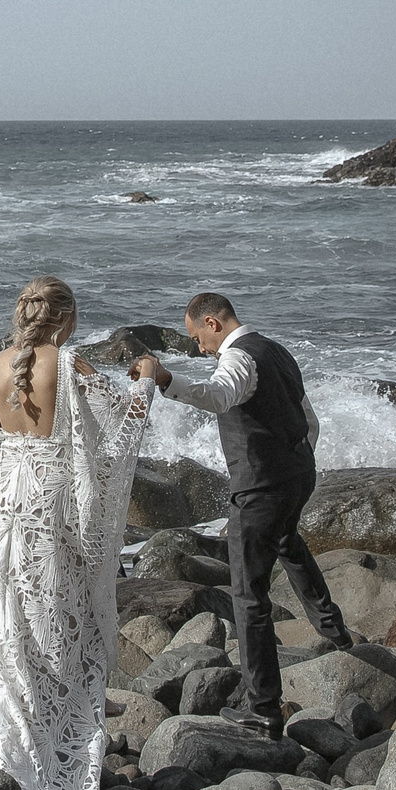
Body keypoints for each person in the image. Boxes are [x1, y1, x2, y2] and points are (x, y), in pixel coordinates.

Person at [0, 276, 157, 790]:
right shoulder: (70, 364)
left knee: (10, 616)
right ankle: (47, 749)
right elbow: (122, 427)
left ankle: (7, 734)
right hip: (54, 506)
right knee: (58, 622)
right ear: (63, 320)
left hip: (8, 503)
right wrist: (146, 385)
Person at [134, 291, 350, 738]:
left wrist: (166, 379)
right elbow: (308, 419)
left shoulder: (239, 360)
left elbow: (218, 395)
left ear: (213, 323)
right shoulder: (276, 351)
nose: (200, 348)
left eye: (198, 338)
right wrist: (296, 461)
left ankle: (264, 709)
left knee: (248, 595)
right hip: (298, 475)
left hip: (261, 488)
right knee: (288, 540)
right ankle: (334, 632)